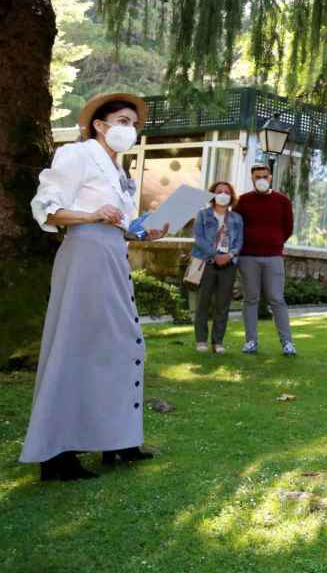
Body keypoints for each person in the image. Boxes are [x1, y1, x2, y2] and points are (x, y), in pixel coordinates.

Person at [22, 92, 169, 481]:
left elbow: (124, 226)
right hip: (85, 252)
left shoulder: (120, 174)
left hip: (113, 255)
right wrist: (91, 215)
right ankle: (55, 453)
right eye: (122, 121)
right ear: (100, 126)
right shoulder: (78, 154)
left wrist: (148, 232)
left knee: (122, 342)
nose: (130, 129)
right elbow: (47, 207)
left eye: (134, 124)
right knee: (77, 343)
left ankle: (118, 441)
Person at [234, 163, 297, 356]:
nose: (261, 179)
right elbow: (236, 226)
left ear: (270, 178)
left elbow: (288, 228)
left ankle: (287, 343)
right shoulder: (243, 201)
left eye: (264, 176)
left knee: (277, 299)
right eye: (257, 177)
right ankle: (251, 341)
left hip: (273, 257)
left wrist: (274, 242)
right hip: (248, 258)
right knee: (250, 299)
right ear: (252, 179)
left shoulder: (283, 200)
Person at [191, 181, 244, 354]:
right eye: (219, 191)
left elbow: (239, 242)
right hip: (207, 263)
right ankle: (201, 341)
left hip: (228, 265)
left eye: (226, 192)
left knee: (222, 305)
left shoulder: (236, 218)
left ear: (231, 196)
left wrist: (229, 255)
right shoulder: (203, 215)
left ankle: (218, 342)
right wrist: (215, 255)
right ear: (212, 194)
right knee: (203, 303)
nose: (223, 194)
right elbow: (199, 239)